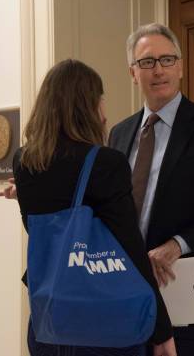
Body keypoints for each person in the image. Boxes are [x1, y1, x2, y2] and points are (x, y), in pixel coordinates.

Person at [11, 59, 176, 356]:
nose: (104, 111)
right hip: (104, 321)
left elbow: (42, 233)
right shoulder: (105, 162)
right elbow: (130, 247)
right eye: (101, 100)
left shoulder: (24, 162)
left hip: (48, 317)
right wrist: (161, 330)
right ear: (88, 106)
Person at [108, 23, 194, 356]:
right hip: (126, 293)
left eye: (167, 59)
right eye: (147, 62)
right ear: (132, 72)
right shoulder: (119, 133)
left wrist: (177, 244)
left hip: (184, 291)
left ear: (181, 67)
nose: (158, 70)